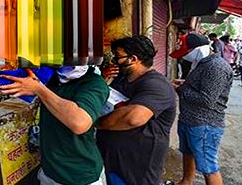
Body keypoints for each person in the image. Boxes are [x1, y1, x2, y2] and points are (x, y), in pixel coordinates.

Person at [0, 67, 108, 185]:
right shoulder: (51, 78)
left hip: (80, 175)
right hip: (49, 171)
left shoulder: (94, 83)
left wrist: (38, 89)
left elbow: (79, 122)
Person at [96, 36, 176, 185]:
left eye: (117, 57)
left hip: (137, 168)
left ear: (133, 59)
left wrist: (95, 122)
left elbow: (132, 118)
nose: (114, 61)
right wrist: (102, 78)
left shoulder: (157, 85)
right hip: (112, 159)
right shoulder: (120, 78)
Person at [169, 33, 233, 185]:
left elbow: (207, 100)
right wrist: (185, 82)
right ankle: (186, 181)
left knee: (208, 166)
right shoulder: (202, 63)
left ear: (198, 50)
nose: (184, 58)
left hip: (205, 124)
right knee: (187, 153)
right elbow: (202, 86)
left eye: (186, 54)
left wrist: (182, 88)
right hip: (189, 119)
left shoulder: (216, 67)